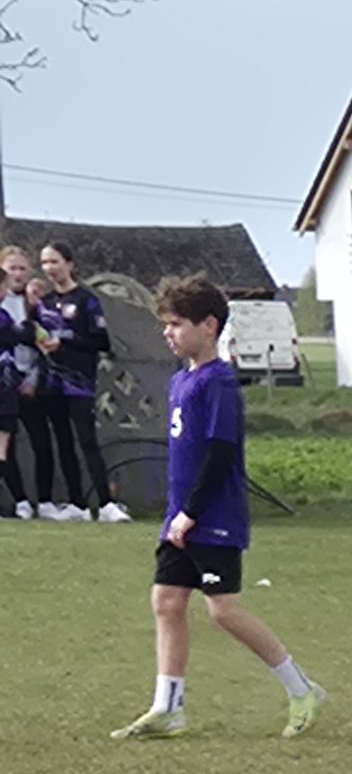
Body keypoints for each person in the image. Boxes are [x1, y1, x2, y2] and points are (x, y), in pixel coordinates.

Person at [112, 278, 325, 742]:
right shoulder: (181, 380)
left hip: (213, 518)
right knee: (166, 601)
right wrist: (178, 512)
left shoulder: (219, 382)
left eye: (176, 324)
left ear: (208, 325)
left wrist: (192, 511)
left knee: (224, 611)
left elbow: (221, 452)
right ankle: (168, 707)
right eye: (164, 324)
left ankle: (303, 689)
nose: (167, 332)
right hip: (180, 516)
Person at [27, 245, 115, 520]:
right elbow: (30, 332)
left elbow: (101, 341)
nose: (49, 268)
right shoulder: (44, 303)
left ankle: (106, 504)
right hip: (51, 382)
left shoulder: (86, 300)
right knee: (63, 442)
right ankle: (77, 504)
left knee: (87, 441)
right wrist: (31, 305)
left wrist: (65, 340)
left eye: (55, 261)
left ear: (69, 264)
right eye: (44, 263)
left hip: (80, 382)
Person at [0, 250, 36, 519]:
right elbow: (21, 334)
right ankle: (18, 501)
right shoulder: (3, 317)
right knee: (2, 448)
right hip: (3, 389)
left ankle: (20, 501)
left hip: (8, 386)